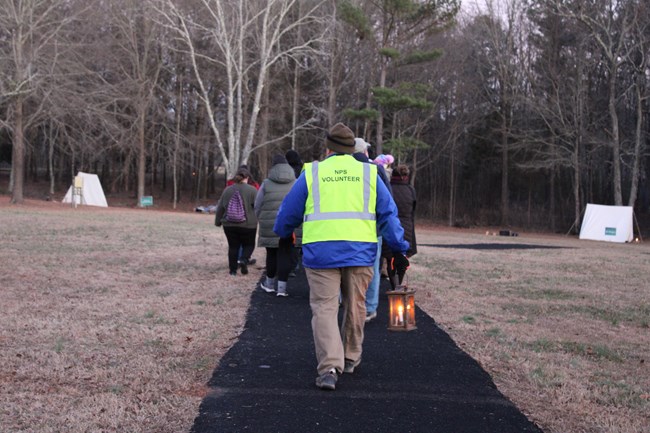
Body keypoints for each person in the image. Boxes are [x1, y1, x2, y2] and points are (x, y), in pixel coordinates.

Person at [274, 122, 410, 391]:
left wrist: (282, 231)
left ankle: (328, 369)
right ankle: (350, 357)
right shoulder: (370, 174)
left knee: (324, 308)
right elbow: (388, 213)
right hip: (360, 252)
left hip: (320, 252)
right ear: (352, 149)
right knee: (356, 304)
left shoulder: (313, 172)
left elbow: (288, 210)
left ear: (328, 148)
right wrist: (399, 247)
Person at [352, 137, 391, 323]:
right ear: (365, 151)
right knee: (372, 267)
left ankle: (347, 299)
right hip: (372, 227)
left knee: (347, 265)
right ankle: (370, 307)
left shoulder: (343, 170)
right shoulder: (376, 170)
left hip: (349, 226)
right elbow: (387, 199)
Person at [254, 154, 296, 297]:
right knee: (285, 255)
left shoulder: (266, 183)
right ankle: (282, 289)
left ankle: (269, 284)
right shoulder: (296, 182)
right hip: (289, 225)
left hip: (269, 224)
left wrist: (261, 218)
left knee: (271, 254)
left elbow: (258, 204)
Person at [214, 167, 259, 276]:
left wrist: (218, 221)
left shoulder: (228, 190)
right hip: (248, 225)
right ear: (247, 178)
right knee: (249, 245)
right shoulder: (253, 190)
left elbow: (220, 207)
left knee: (233, 247)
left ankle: (233, 271)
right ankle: (243, 260)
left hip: (229, 224)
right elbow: (258, 207)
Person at [387, 164, 418, 288]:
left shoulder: (388, 189)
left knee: (390, 258)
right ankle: (398, 283)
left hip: (390, 227)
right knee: (402, 259)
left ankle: (393, 284)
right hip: (406, 228)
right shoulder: (411, 190)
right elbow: (413, 211)